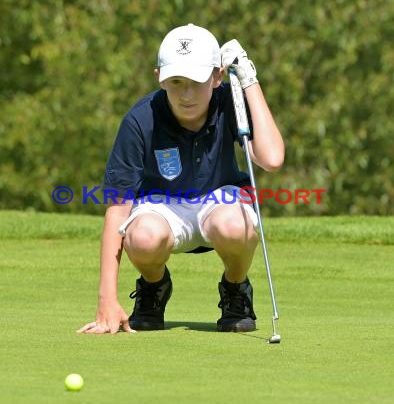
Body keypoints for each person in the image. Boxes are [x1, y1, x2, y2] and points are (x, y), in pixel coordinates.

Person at [77, 23, 284, 335]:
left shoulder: (230, 100)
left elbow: (271, 158)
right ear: (159, 76)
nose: (186, 94)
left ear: (216, 77)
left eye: (197, 82)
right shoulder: (140, 118)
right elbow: (117, 210)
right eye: (176, 81)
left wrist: (248, 80)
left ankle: (235, 290)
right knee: (142, 237)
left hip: (220, 201)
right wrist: (107, 299)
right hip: (162, 207)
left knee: (235, 225)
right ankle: (153, 288)